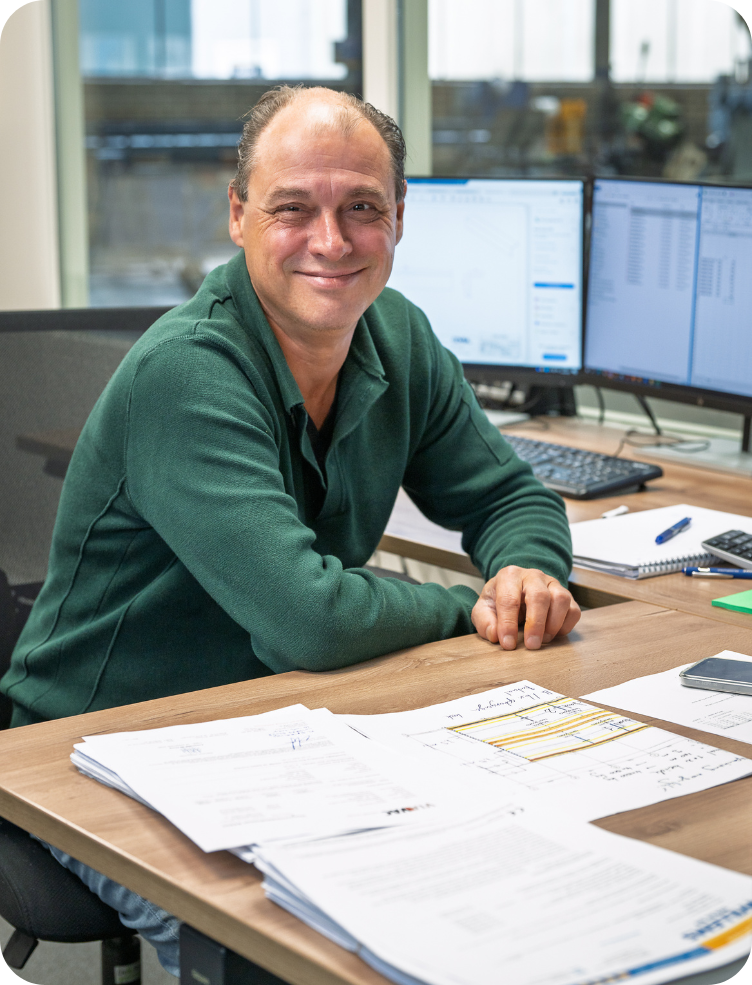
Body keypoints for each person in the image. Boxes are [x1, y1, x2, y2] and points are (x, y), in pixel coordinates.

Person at [0, 85, 580, 975]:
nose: (332, 241)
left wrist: (529, 575)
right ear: (238, 216)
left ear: (399, 218)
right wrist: (469, 606)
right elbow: (309, 617)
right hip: (98, 749)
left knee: (495, 895)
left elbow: (510, 498)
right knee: (301, 954)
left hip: (281, 726)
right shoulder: (187, 373)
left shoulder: (397, 335)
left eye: (362, 209)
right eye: (292, 208)